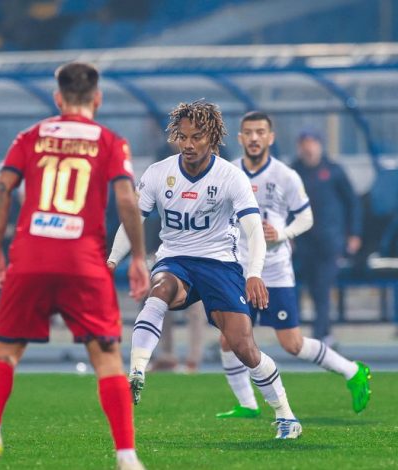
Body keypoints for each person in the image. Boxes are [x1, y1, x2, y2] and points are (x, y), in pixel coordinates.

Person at [0, 62, 150, 470]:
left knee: (5, 352)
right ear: (97, 99)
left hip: (29, 258)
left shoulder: (31, 136)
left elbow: (1, 190)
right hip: (84, 262)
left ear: (57, 99)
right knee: (106, 360)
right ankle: (127, 457)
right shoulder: (110, 142)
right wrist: (138, 256)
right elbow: (125, 200)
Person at [108, 100, 302, 440]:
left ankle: (285, 415)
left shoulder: (230, 177)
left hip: (220, 264)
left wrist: (254, 273)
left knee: (243, 347)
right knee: (160, 289)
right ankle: (137, 369)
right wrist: (111, 261)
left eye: (196, 137)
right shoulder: (158, 173)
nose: (188, 144)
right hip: (175, 258)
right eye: (182, 137)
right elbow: (132, 221)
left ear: (211, 137)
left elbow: (254, 230)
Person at [216, 111, 371, 419]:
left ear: (270, 138)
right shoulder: (228, 172)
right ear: (241, 138)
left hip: (274, 270)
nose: (255, 137)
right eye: (249, 132)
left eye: (261, 132)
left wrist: (283, 233)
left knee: (292, 344)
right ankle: (247, 404)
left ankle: (352, 371)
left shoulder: (286, 175)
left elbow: (306, 217)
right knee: (228, 336)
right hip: (240, 269)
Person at [292, 130, 361, 344]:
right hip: (302, 241)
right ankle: (295, 333)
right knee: (299, 287)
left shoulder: (334, 171)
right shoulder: (293, 172)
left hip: (329, 241)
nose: (308, 148)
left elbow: (353, 203)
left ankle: (321, 334)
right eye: (305, 143)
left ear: (320, 146)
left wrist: (355, 234)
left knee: (322, 288)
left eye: (312, 143)